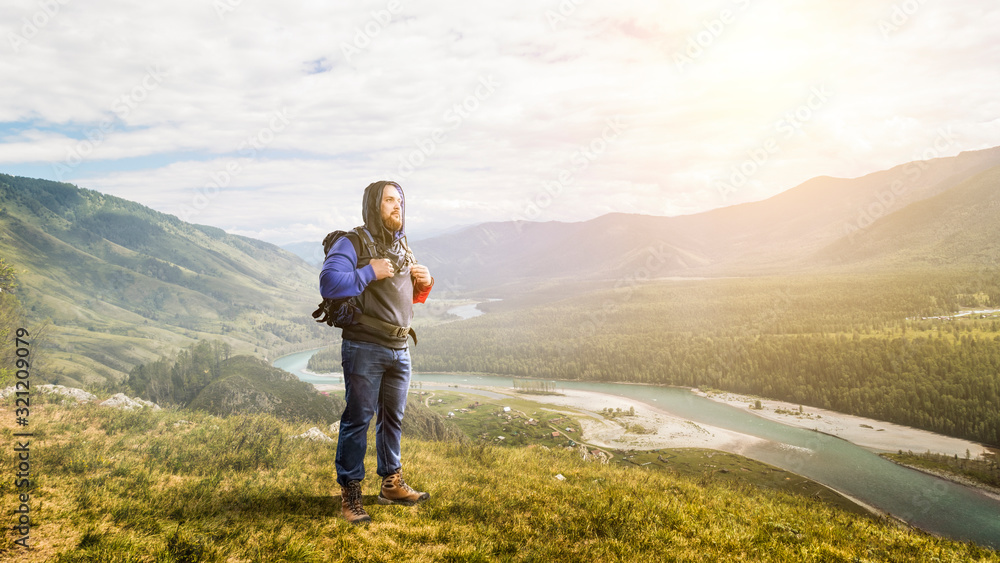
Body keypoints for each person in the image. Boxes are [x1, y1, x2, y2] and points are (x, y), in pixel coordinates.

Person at [319, 180, 434, 525]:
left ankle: (391, 484)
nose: (397, 206)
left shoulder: (402, 246)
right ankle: (351, 492)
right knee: (358, 419)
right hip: (364, 346)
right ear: (373, 205)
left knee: (392, 418)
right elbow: (329, 282)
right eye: (389, 200)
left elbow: (399, 299)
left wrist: (425, 284)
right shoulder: (351, 242)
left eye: (400, 200)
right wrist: (369, 271)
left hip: (400, 347)